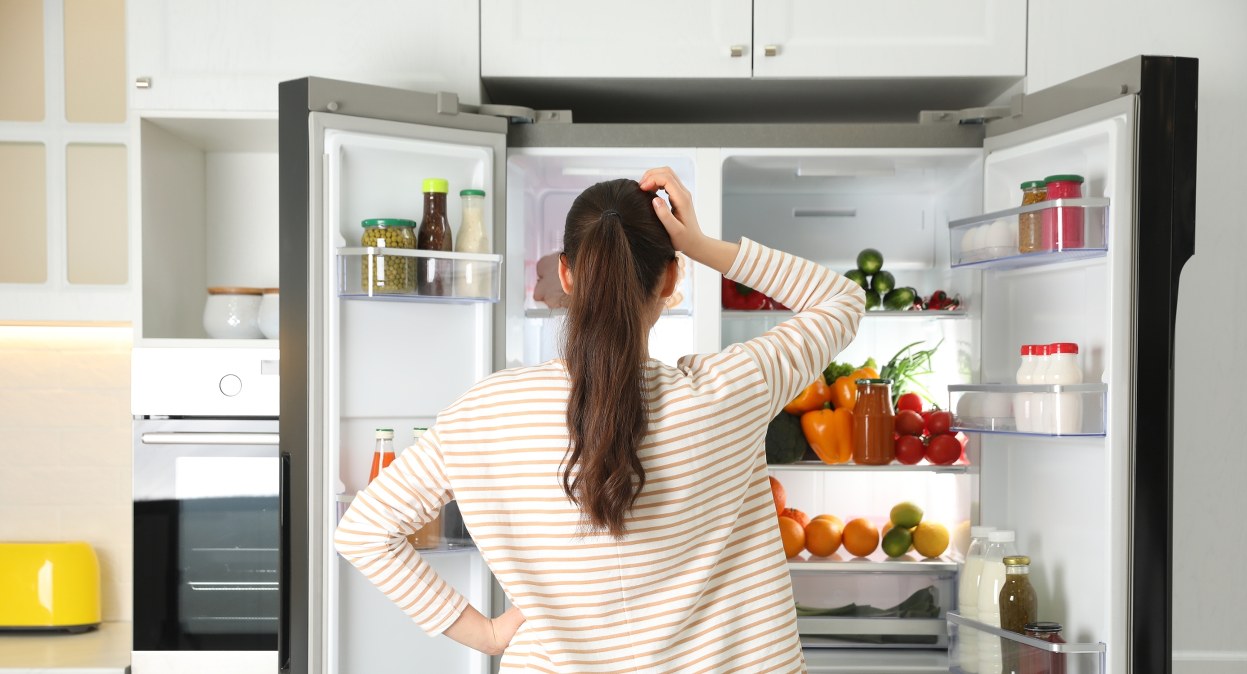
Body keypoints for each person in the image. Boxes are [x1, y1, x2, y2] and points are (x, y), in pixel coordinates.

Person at [335, 167, 866, 672]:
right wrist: (698, 242)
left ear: (565, 275)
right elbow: (841, 300)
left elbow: (364, 531)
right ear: (670, 279)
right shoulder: (730, 392)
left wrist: (489, 636)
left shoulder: (485, 412)